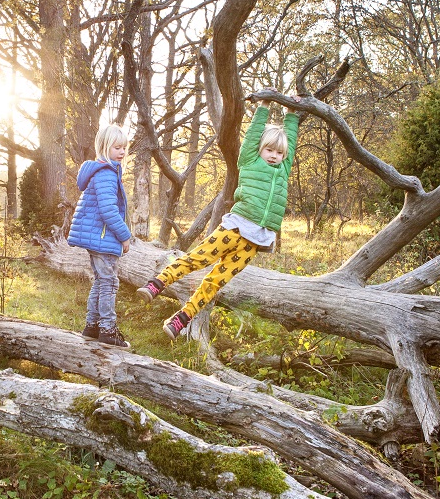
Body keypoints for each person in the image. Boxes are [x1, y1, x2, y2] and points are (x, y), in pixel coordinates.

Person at [138, 90, 299, 339]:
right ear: (260, 149)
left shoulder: (283, 170)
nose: (274, 156)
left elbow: (292, 140)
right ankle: (158, 282)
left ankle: (181, 319)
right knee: (197, 259)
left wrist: (292, 114)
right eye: (269, 150)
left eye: (279, 153)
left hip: (255, 242)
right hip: (235, 229)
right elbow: (254, 133)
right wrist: (264, 105)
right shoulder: (249, 160)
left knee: (215, 282)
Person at [67, 123, 134, 349]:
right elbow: (108, 211)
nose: (122, 152)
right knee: (109, 283)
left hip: (97, 237)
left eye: (124, 147)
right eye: (117, 148)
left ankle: (92, 326)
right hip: (103, 238)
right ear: (105, 148)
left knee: (101, 281)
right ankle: (108, 329)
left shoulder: (103, 171)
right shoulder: (106, 173)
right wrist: (125, 236)